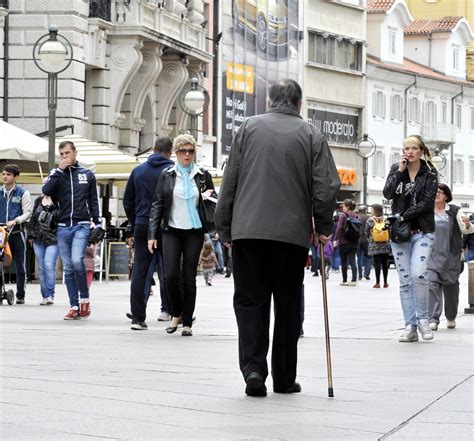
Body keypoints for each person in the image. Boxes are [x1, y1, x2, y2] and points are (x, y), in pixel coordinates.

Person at [215, 79, 340, 397]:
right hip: (291, 235)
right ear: (300, 103)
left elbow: (230, 180)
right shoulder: (312, 134)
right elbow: (325, 187)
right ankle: (284, 378)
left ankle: (254, 370)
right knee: (287, 304)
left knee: (249, 300)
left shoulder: (247, 128)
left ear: (270, 101)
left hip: (249, 231)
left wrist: (225, 226)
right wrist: (323, 226)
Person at [148, 134, 215, 337]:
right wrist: (152, 234)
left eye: (190, 151)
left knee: (188, 277)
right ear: (175, 153)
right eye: (183, 151)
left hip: (194, 231)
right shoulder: (167, 175)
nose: (187, 155)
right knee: (169, 275)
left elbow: (212, 202)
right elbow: (157, 204)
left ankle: (187, 321)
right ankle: (176, 312)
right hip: (171, 230)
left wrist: (208, 198)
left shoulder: (202, 175)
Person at [383, 135, 437, 342]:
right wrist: (399, 171)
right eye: (407, 148)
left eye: (414, 148)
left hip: (422, 231)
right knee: (405, 281)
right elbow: (388, 194)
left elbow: (426, 202)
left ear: (421, 151)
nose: (410, 151)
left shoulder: (429, 173)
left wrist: (403, 215)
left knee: (419, 275)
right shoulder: (397, 170)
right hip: (399, 234)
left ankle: (423, 319)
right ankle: (410, 325)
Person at [42, 141, 101, 320]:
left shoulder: (87, 174)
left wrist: (97, 223)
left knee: (77, 261)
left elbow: (93, 200)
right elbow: (46, 190)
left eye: (67, 153)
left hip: (82, 224)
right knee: (68, 268)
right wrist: (58, 171)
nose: (65, 157)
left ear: (75, 153)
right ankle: (74, 305)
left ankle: (84, 298)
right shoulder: (56, 174)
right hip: (62, 226)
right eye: (61, 154)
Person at [123, 135, 174, 330]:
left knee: (140, 271)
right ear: (171, 152)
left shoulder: (138, 171)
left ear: (153, 149)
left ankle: (138, 317)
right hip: (168, 226)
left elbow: (127, 200)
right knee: (170, 271)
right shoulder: (172, 171)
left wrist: (136, 221)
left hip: (143, 224)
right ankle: (174, 312)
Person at [428, 184, 472, 330]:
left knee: (451, 287)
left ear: (446, 196)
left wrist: (467, 224)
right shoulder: (427, 210)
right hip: (431, 255)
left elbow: (467, 229)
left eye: (439, 192)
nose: (436, 194)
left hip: (451, 255)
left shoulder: (455, 211)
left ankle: (451, 316)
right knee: (432, 284)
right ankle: (433, 318)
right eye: (435, 192)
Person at [0, 164, 33, 304]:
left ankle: (21, 295)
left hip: (17, 232)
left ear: (15, 177)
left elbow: (28, 212)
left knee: (20, 264)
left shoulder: (22, 193)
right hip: (1, 233)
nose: (5, 177)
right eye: (3, 174)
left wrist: (15, 220)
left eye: (8, 174)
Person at [27, 194, 59, 305]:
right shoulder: (38, 200)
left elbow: (60, 220)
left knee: (49, 265)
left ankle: (50, 295)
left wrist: (51, 209)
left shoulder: (58, 201)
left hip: (53, 238)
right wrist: (30, 235)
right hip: (38, 238)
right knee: (41, 267)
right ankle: (45, 295)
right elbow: (33, 219)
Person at [334, 199, 359, 286]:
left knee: (344, 261)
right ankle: (354, 280)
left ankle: (344, 280)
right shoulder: (356, 215)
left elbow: (339, 228)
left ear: (348, 207)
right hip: (354, 241)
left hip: (344, 241)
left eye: (343, 206)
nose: (342, 207)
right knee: (353, 260)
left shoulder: (343, 215)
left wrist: (335, 239)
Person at [366, 203, 391, 288]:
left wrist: (369, 239)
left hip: (375, 244)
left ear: (375, 210)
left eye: (372, 209)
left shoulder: (370, 220)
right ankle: (385, 282)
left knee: (377, 263)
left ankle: (377, 282)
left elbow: (367, 232)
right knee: (385, 263)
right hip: (385, 244)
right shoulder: (386, 219)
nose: (371, 211)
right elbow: (389, 230)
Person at [356, 206, 372, 280]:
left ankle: (359, 275)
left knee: (359, 257)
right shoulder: (369, 218)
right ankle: (366, 273)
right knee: (368, 257)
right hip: (366, 240)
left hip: (358, 239)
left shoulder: (356, 217)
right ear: (365, 210)